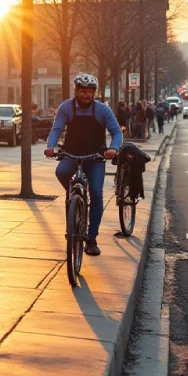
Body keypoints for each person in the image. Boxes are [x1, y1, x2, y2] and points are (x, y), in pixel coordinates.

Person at [44, 73, 123, 257]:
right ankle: (74, 195)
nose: (86, 95)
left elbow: (116, 132)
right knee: (61, 172)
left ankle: (92, 238)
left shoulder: (103, 110)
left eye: (89, 92)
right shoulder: (66, 107)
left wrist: (113, 148)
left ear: (94, 93)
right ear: (76, 91)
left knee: (96, 192)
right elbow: (57, 128)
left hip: (95, 157)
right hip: (71, 153)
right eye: (82, 91)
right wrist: (50, 146)